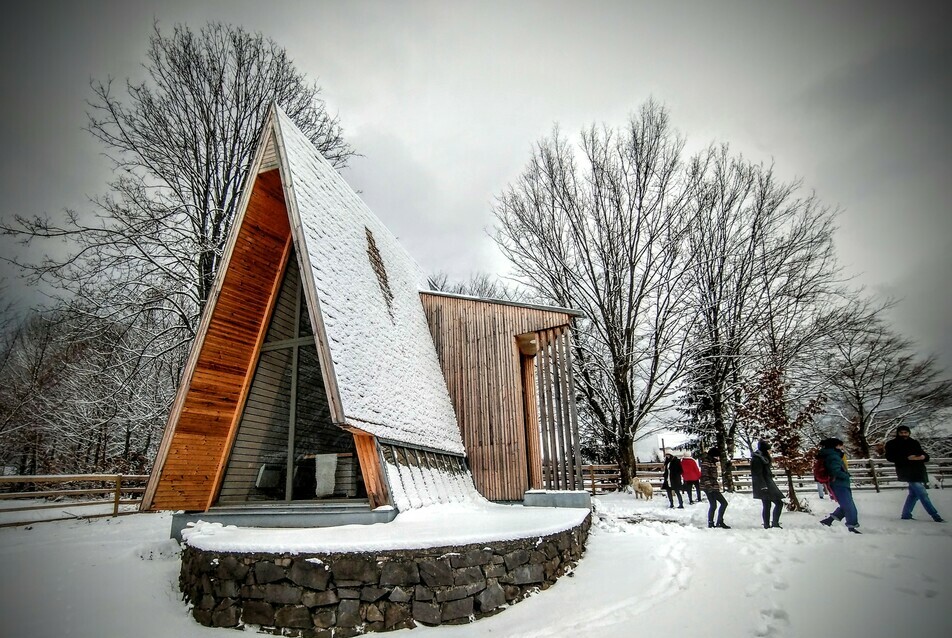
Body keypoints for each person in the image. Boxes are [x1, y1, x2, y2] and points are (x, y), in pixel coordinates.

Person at [884, 425, 944, 522]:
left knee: (913, 495)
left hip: (918, 470)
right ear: (898, 433)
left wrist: (923, 457)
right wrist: (907, 458)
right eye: (901, 432)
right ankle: (935, 516)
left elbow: (924, 454)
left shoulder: (914, 442)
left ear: (909, 433)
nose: (904, 434)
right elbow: (890, 457)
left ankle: (906, 515)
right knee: (923, 493)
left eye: (905, 432)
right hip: (905, 471)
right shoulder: (892, 444)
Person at [817, 438, 861, 533]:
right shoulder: (833, 456)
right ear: (835, 446)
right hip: (839, 483)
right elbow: (835, 471)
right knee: (849, 505)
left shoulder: (832, 455)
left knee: (845, 504)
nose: (842, 447)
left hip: (839, 483)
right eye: (840, 445)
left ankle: (828, 521)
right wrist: (846, 475)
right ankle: (852, 526)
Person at [750, 440, 784, 529]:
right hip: (764, 484)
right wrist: (763, 486)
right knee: (778, 503)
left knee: (767, 504)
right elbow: (757, 473)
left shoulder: (763, 458)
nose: (770, 451)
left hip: (767, 482)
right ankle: (773, 523)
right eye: (769, 449)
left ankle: (768, 524)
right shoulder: (758, 459)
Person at [700, 447, 730, 528]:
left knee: (715, 505)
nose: (718, 458)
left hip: (713, 486)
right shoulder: (706, 463)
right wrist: (709, 487)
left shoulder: (711, 462)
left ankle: (713, 522)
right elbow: (704, 476)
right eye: (717, 456)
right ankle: (716, 522)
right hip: (710, 487)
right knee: (722, 503)